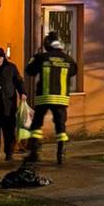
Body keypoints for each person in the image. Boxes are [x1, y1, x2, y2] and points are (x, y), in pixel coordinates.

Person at [24, 32, 78, 165]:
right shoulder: (68, 59)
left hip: (44, 97)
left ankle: (34, 152)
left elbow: (30, 71)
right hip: (61, 98)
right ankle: (61, 153)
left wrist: (34, 58)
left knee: (37, 124)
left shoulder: (42, 58)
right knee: (60, 126)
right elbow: (73, 72)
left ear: (47, 44)